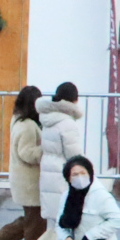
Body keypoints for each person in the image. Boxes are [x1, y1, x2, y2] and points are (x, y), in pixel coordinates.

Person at [0, 86, 48, 240]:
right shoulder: (28, 126)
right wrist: (46, 150)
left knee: (32, 220)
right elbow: (26, 153)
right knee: (36, 223)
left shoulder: (19, 121)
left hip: (25, 181)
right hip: (30, 182)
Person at [37, 82, 84, 231]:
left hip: (48, 173)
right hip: (62, 175)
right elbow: (74, 156)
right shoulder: (67, 123)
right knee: (64, 228)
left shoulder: (47, 119)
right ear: (74, 100)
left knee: (52, 226)